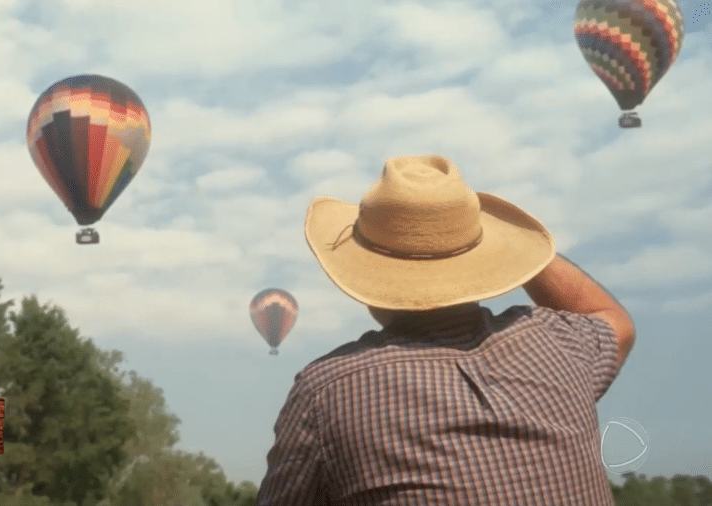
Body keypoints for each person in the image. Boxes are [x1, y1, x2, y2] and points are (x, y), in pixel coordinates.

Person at [255, 155, 635, 506]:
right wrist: (520, 250)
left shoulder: (325, 392)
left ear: (367, 272)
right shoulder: (562, 343)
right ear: (481, 257)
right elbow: (613, 319)